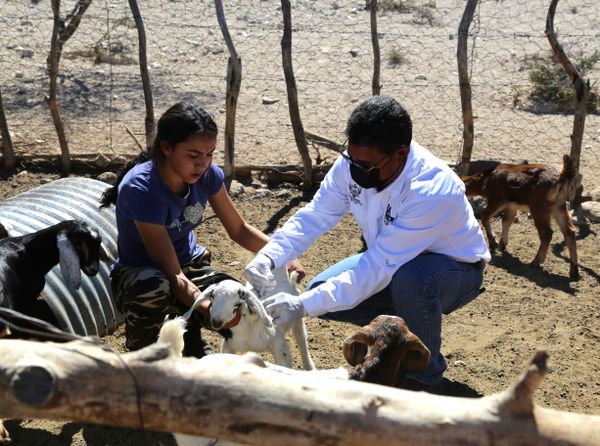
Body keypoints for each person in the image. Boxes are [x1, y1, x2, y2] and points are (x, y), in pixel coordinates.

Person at [245, 95, 490, 390]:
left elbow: (378, 266)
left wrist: (301, 306)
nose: (356, 170)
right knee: (321, 293)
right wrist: (269, 256)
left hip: (452, 271)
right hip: (390, 262)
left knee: (411, 281)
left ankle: (424, 376)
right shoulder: (354, 163)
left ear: (400, 154)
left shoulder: (432, 190)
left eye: (368, 166)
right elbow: (315, 215)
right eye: (352, 159)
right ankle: (397, 342)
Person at [100, 99, 303, 358]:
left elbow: (239, 230)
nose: (203, 164)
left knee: (235, 302)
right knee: (154, 287)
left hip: (189, 266)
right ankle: (144, 355)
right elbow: (173, 275)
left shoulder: (207, 176)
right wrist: (208, 307)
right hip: (143, 275)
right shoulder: (142, 190)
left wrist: (283, 255)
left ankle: (192, 340)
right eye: (194, 155)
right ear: (166, 148)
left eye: (209, 154)